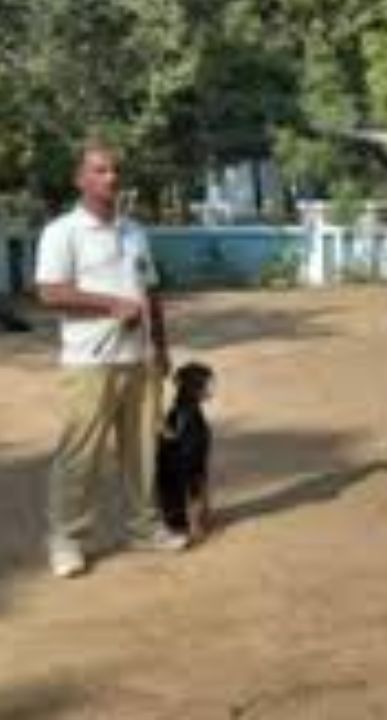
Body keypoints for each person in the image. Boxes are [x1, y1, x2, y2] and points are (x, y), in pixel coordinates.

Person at [35, 140, 187, 579]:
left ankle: (144, 527)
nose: (111, 178)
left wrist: (161, 346)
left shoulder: (133, 231)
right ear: (80, 179)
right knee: (80, 453)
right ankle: (66, 539)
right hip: (90, 361)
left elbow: (150, 292)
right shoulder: (62, 232)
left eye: (114, 170)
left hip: (138, 358)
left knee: (142, 451)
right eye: (100, 171)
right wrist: (110, 305)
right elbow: (50, 292)